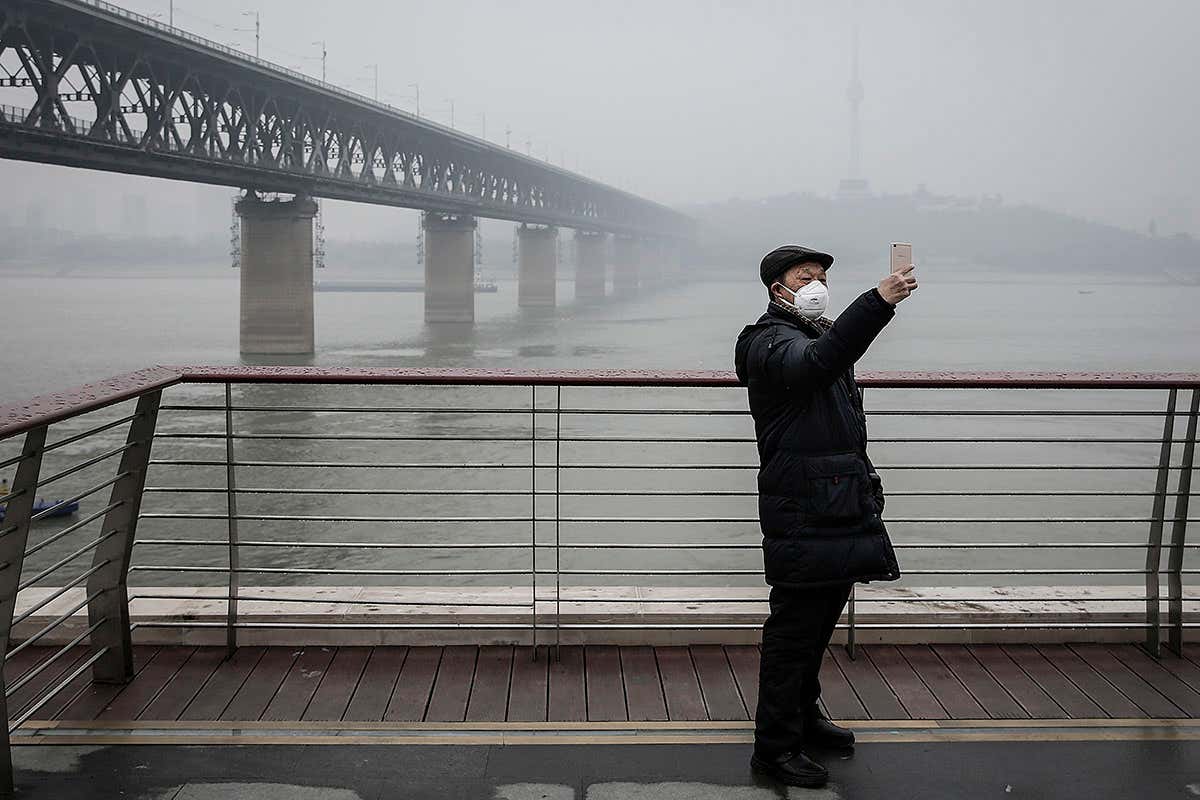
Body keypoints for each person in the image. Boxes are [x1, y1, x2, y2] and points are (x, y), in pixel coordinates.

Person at [733, 244, 917, 788]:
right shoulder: (766, 342)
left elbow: (834, 381)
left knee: (818, 626)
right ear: (777, 289)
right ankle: (774, 747)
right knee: (794, 630)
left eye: (821, 276)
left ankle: (804, 719)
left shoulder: (816, 336)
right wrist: (877, 303)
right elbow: (818, 365)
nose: (816, 284)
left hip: (838, 503)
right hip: (801, 508)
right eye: (804, 276)